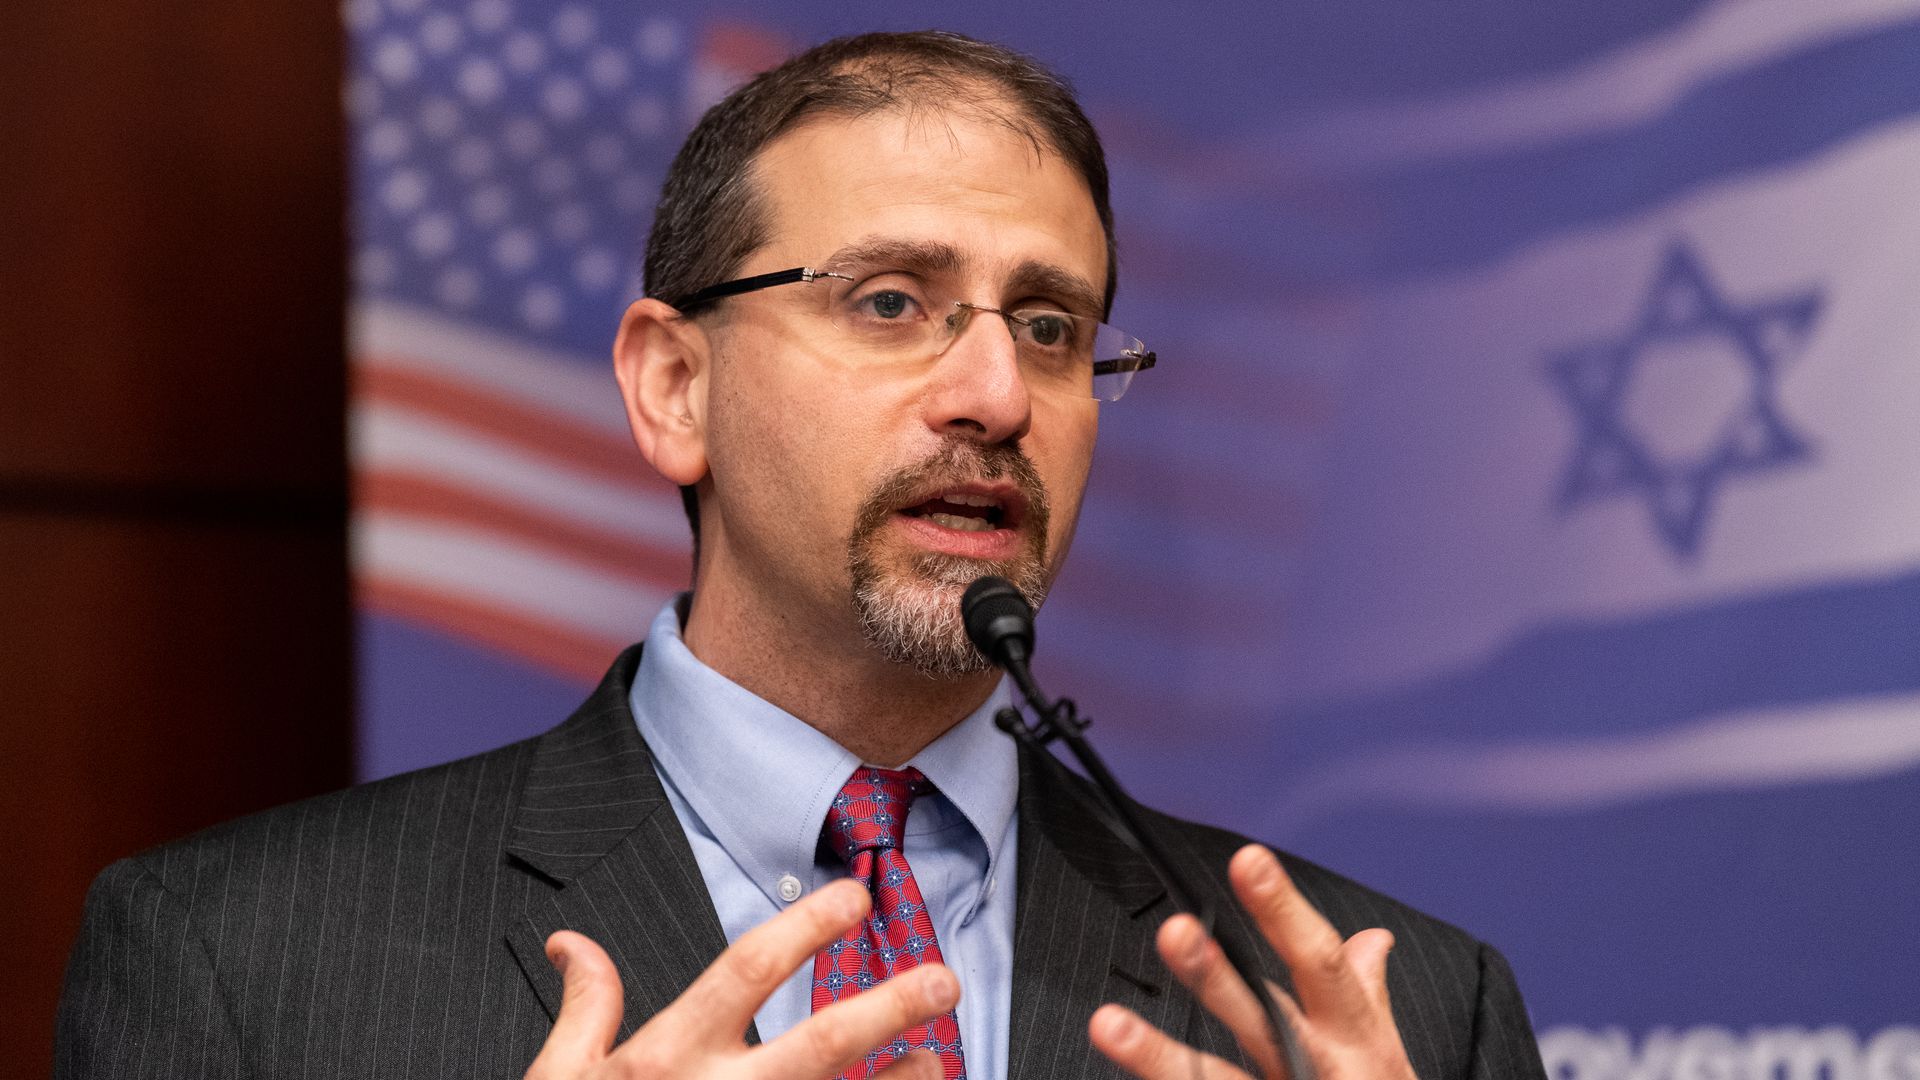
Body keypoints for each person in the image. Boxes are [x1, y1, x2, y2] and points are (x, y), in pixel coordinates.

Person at [56, 30, 1548, 1080]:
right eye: (891, 301)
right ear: (673, 387)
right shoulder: (241, 964)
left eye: (1052, 326)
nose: (997, 396)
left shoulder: (1384, 1008)